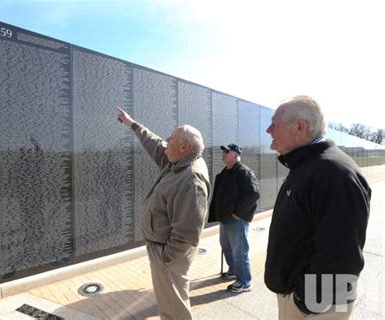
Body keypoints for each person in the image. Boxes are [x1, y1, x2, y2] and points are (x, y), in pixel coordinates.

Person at [264, 96, 371, 319]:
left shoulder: (335, 174)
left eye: (275, 124)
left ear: (299, 127)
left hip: (317, 307)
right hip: (305, 299)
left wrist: (304, 303)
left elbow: (342, 255)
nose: (268, 130)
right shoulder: (308, 166)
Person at [117, 107, 210, 320]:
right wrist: (133, 124)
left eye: (172, 138)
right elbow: (156, 144)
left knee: (173, 307)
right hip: (164, 250)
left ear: (184, 147)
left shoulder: (190, 179)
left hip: (169, 256)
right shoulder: (178, 161)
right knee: (169, 301)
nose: (166, 140)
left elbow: (187, 233)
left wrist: (165, 258)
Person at [207, 143, 260, 293]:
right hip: (225, 219)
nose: (223, 153)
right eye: (223, 151)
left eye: (227, 151)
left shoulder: (244, 172)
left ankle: (244, 282)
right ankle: (234, 270)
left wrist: (238, 213)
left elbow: (253, 194)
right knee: (226, 246)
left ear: (236, 154)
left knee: (239, 251)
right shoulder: (226, 172)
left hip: (237, 219)